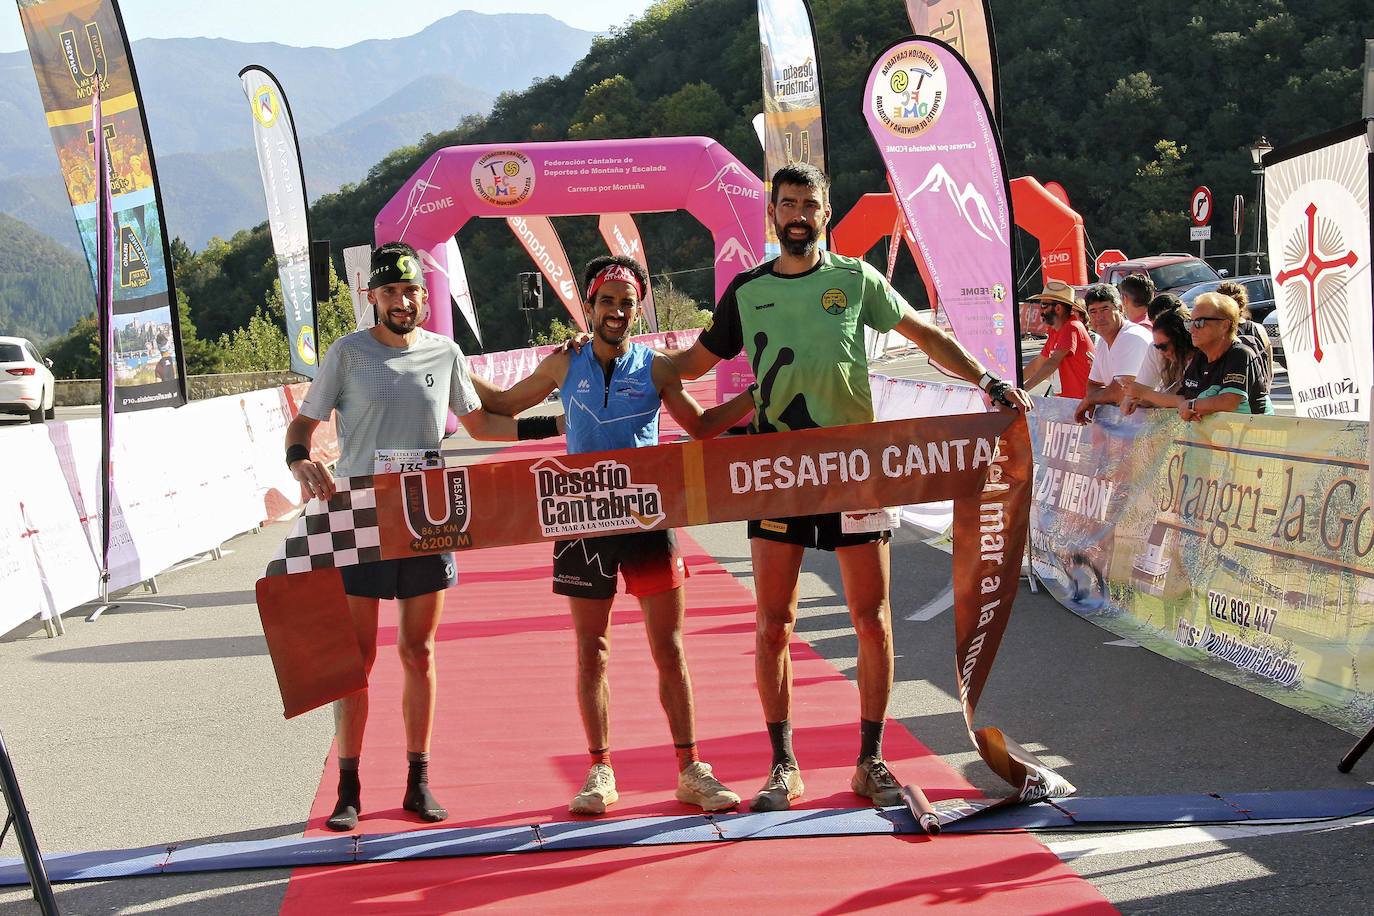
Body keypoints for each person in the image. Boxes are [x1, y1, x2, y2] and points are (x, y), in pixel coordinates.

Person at [659, 162, 1029, 812]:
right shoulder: (746, 292)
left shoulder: (856, 278)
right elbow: (687, 365)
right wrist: (610, 362)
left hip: (856, 471)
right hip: (780, 475)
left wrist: (988, 380)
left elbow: (923, 335)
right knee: (773, 623)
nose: (798, 212)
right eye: (788, 203)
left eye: (809, 203)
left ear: (824, 212)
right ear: (773, 214)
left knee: (871, 620)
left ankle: (870, 761)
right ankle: (783, 766)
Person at [479, 255, 758, 816]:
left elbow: (701, 427)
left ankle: (690, 769)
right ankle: (600, 771)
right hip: (581, 522)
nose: (616, 311)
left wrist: (759, 394)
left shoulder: (655, 369)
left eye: (626, 302)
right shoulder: (565, 362)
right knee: (592, 651)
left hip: (647, 522)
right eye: (606, 301)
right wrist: (451, 371)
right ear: (589, 304)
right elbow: (506, 406)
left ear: (638, 308)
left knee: (669, 649)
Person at [284, 241, 537, 832]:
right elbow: (303, 424)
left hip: (427, 515)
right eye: (391, 291)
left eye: (412, 291)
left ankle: (418, 781)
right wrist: (299, 460)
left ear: (426, 297)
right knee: (358, 661)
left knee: (418, 653)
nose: (403, 300)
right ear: (372, 296)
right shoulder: (347, 354)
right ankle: (348, 787)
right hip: (361, 516)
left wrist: (565, 423)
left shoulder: (444, 352)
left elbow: (481, 425)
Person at [1176, 292, 1273, 419]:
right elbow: (1182, 397)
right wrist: (1144, 394)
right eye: (1189, 322)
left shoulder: (1240, 354)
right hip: (1215, 436)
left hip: (1251, 435)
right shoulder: (1200, 357)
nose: (1192, 330)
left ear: (1224, 325)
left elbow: (1229, 402)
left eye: (1199, 323)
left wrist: (1192, 406)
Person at [1072, 283, 1155, 424]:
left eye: (1105, 309)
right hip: (1133, 425)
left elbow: (1119, 393)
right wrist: (1094, 396)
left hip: (1153, 425)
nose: (1099, 317)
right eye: (1093, 311)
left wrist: (1091, 399)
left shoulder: (1132, 337)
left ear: (1120, 309)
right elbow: (1092, 386)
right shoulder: (1103, 342)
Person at [1021, 280, 1094, 398]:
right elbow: (1037, 364)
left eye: (1044, 305)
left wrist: (1023, 389)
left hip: (1081, 403)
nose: (1040, 310)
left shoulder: (1072, 327)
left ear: (1058, 308)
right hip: (1068, 403)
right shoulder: (1055, 331)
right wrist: (1015, 384)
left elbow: (1052, 363)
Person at [1120, 307, 1197, 414]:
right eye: (1157, 347)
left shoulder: (1202, 356)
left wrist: (1144, 394)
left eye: (1163, 346)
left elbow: (1187, 402)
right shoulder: (1155, 349)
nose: (1160, 352)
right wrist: (1135, 397)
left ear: (1180, 340)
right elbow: (1134, 398)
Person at [1216, 279, 1273, 382]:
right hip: (1257, 393)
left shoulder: (1217, 330)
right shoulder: (1258, 328)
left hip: (1227, 393)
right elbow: (1268, 370)